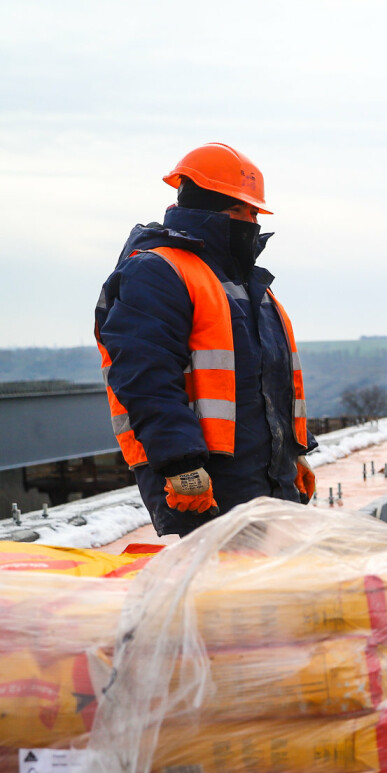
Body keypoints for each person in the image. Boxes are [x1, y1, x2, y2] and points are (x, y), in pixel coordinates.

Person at [94, 143, 316, 537]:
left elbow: (270, 383)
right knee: (223, 592)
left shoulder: (250, 285)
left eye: (254, 212)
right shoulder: (158, 272)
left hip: (263, 477)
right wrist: (180, 465)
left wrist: (294, 453)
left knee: (266, 590)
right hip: (209, 478)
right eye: (239, 211)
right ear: (204, 210)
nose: (251, 221)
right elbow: (145, 378)